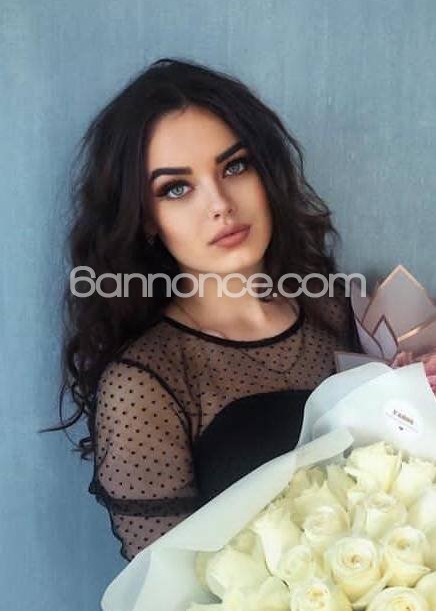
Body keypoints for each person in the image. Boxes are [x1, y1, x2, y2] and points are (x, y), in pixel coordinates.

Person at [48, 58, 363, 562]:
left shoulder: (335, 310)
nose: (220, 204)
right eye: (177, 188)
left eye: (235, 166)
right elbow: (164, 589)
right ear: (146, 219)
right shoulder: (144, 383)